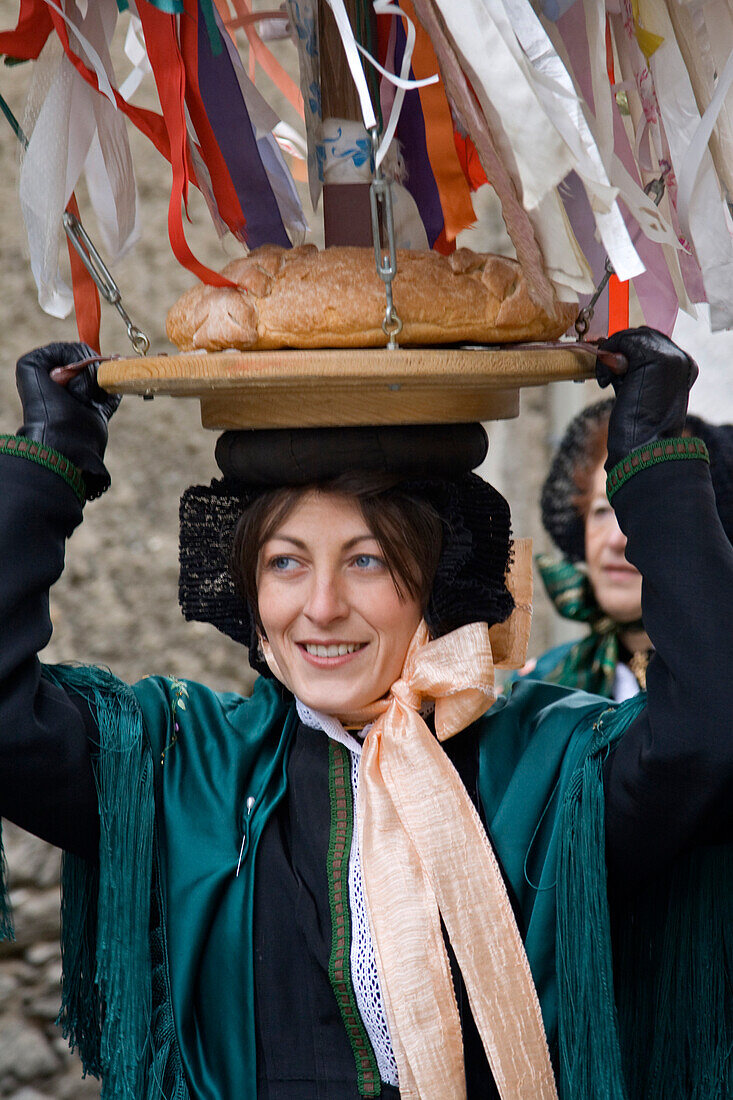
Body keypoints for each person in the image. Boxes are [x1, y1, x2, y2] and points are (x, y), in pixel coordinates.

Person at [0, 327, 731, 1099]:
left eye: (367, 560)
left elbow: (711, 732)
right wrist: (50, 462)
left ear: (435, 579)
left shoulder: (550, 771)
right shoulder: (179, 767)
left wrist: (653, 463)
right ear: (249, 591)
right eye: (285, 562)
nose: (319, 608)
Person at [516, 399, 733, 699]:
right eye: (603, 511)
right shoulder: (542, 685)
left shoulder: (720, 689)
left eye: (649, 514)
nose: (618, 540)